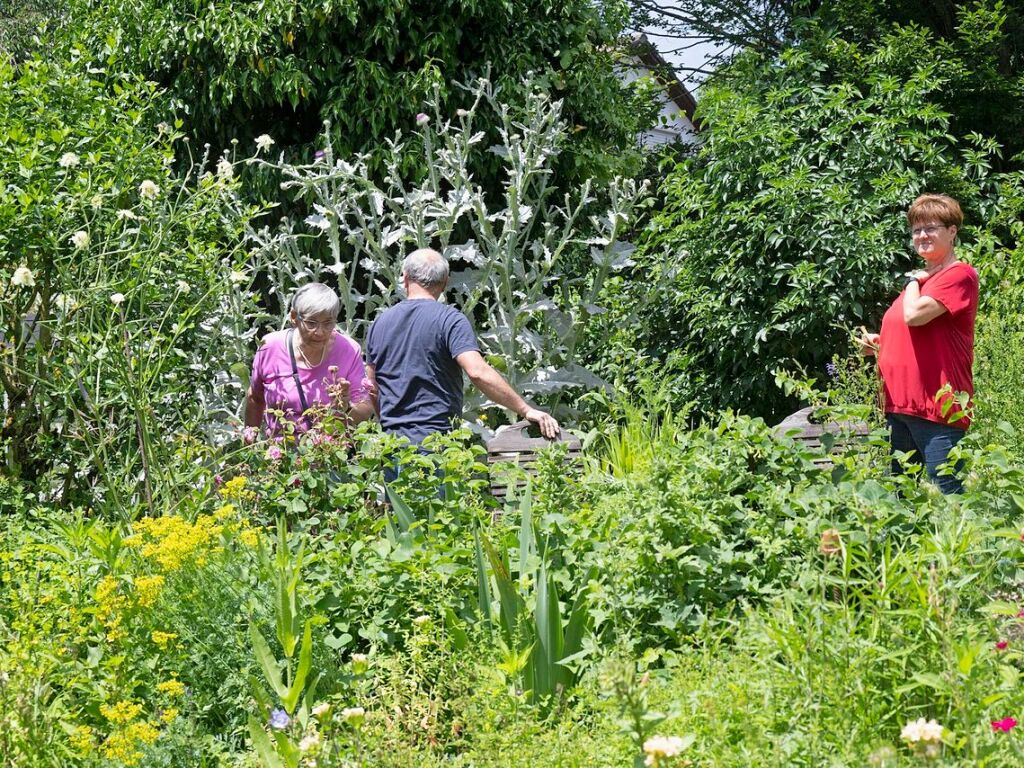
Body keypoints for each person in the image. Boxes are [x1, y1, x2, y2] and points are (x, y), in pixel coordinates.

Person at [365, 248, 560, 446]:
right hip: (436, 441)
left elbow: (371, 386)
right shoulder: (450, 320)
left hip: (392, 444)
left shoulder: (380, 323)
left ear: (405, 279)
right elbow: (477, 372)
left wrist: (389, 424)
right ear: (445, 283)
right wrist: (525, 409)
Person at [859, 194, 979, 494]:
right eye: (916, 230)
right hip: (900, 404)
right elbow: (911, 333)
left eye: (931, 228)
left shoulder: (958, 275)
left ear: (952, 232)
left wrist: (912, 279)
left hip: (937, 407)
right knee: (902, 498)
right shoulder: (924, 281)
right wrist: (879, 343)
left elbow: (914, 316)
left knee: (950, 496)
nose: (922, 235)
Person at [245, 283, 375, 438]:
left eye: (328, 323)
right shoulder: (270, 347)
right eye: (311, 323)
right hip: (281, 455)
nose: (320, 332)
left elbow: (365, 409)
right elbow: (255, 398)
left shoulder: (349, 350)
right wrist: (250, 442)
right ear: (294, 317)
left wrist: (346, 408)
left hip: (330, 454)